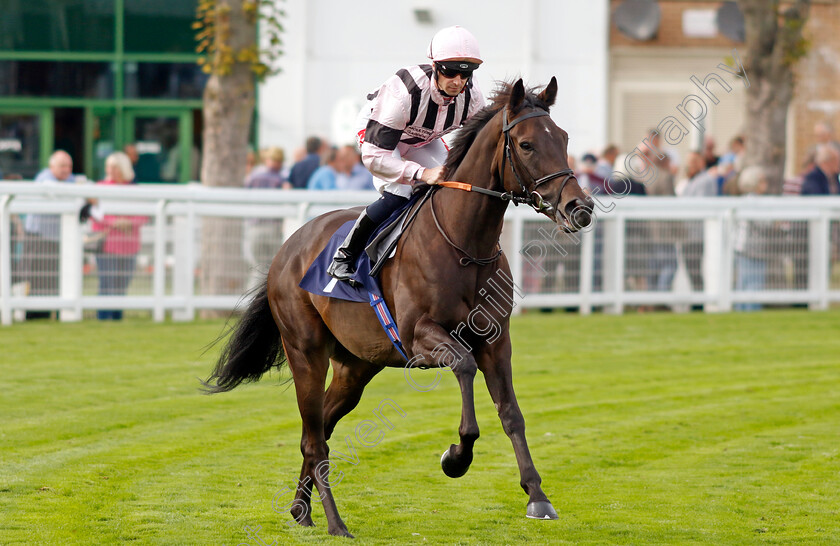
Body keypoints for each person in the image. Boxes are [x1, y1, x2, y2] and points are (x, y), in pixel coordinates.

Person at [327, 25, 486, 284]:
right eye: (450, 72)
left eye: (466, 73)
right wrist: (421, 173)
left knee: (454, 181)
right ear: (434, 65)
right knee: (400, 192)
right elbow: (374, 157)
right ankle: (345, 255)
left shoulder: (473, 96)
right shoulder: (403, 92)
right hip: (379, 139)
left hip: (423, 138)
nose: (458, 81)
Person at [89, 152, 147, 320]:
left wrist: (129, 223)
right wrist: (116, 222)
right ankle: (103, 317)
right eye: (109, 167)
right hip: (107, 245)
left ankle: (116, 317)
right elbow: (95, 213)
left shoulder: (135, 189)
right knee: (107, 283)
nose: (111, 170)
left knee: (123, 284)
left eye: (115, 167)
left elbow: (144, 215)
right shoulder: (100, 187)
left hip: (129, 245)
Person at [22, 150, 75, 319]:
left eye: (68, 166)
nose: (66, 169)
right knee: (38, 280)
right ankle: (35, 316)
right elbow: (58, 193)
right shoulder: (44, 178)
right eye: (62, 166)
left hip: (57, 239)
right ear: (51, 166)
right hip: (39, 237)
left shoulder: (71, 180)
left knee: (56, 280)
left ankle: (54, 314)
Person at [243, 146, 288, 290]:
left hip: (254, 225)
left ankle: (250, 301)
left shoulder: (253, 176)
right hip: (272, 225)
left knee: (257, 267)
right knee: (271, 267)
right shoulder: (281, 179)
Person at [733, 166, 772, 311]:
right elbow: (763, 223)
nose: (765, 183)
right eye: (762, 181)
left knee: (743, 283)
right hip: (752, 249)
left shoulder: (743, 200)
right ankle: (750, 310)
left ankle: (742, 310)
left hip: (742, 248)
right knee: (753, 284)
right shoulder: (755, 201)